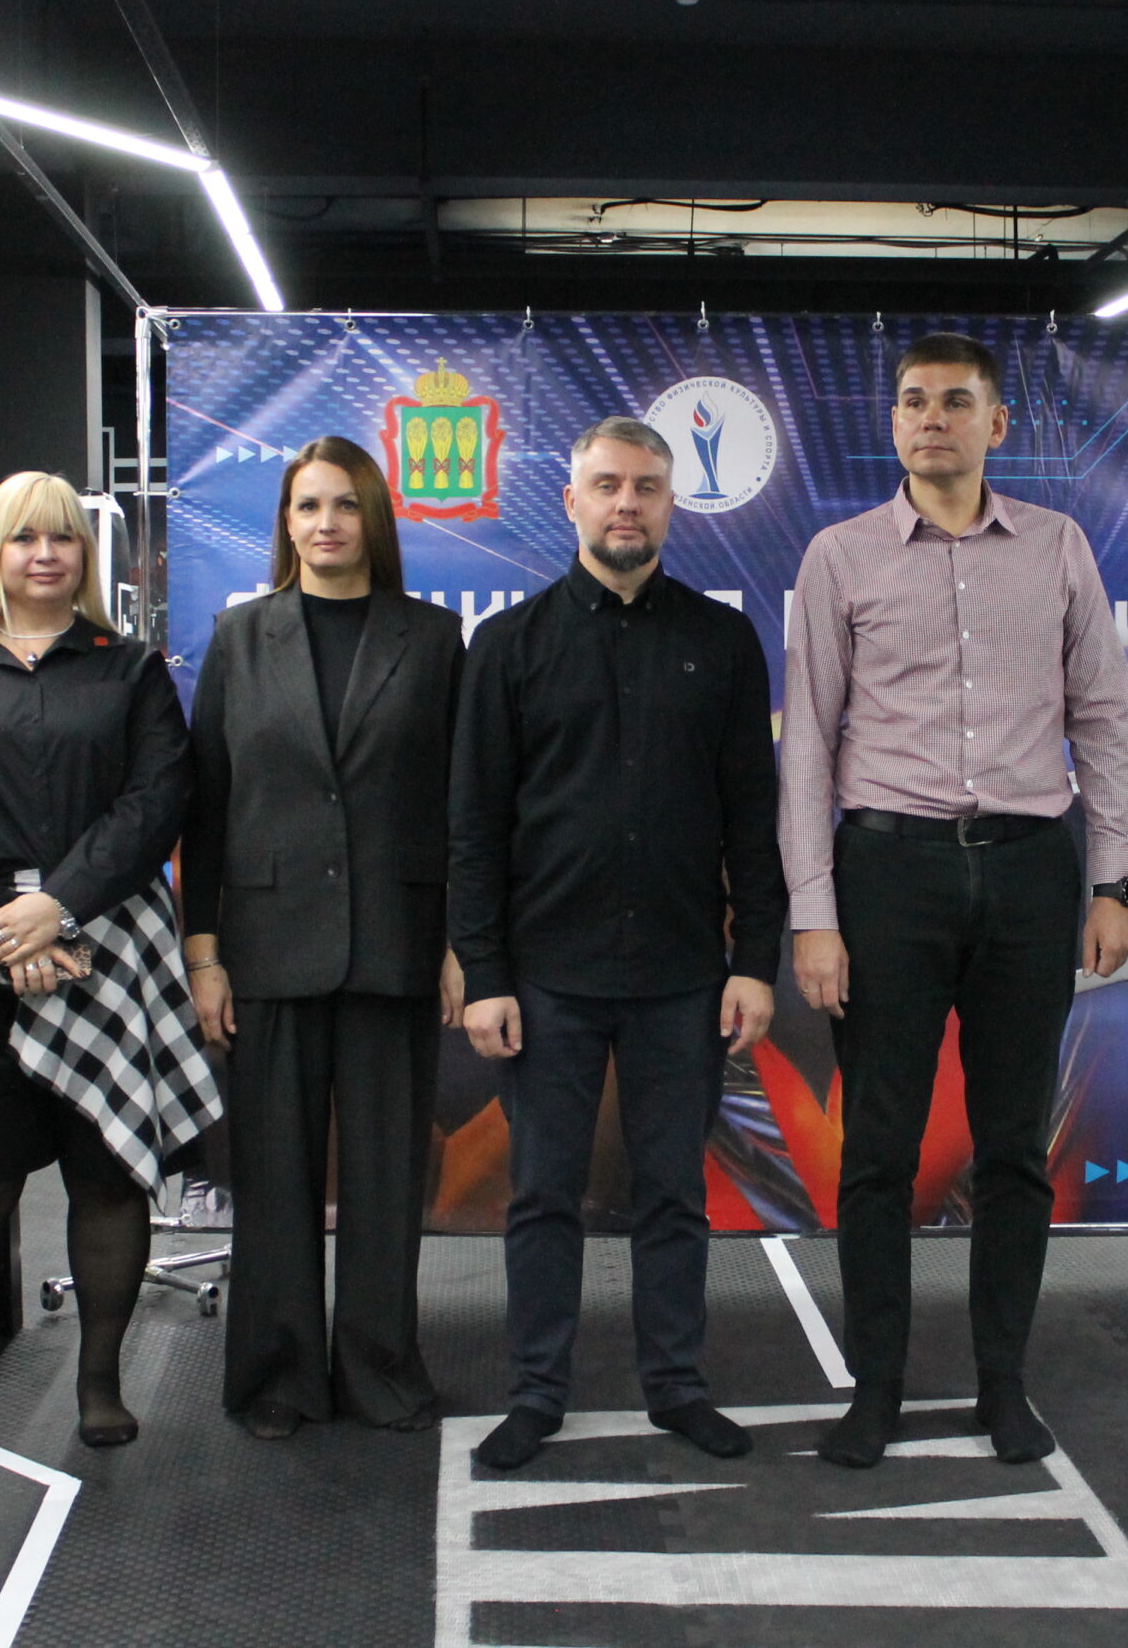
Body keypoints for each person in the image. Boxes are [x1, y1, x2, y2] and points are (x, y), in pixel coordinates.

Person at [781, 332, 1128, 1471]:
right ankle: (876, 1390)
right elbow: (808, 745)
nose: (931, 418)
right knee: (878, 1152)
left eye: (954, 401)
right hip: (887, 875)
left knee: (1014, 1151)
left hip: (1031, 872)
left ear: (997, 424)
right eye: (912, 401)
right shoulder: (839, 556)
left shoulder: (1058, 546)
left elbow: (1105, 717)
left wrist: (1113, 879)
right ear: (893, 423)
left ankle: (1003, 1385)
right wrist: (813, 912)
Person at [450, 416, 785, 1472]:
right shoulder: (507, 646)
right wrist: (485, 973)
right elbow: (473, 827)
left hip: (683, 976)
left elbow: (753, 818)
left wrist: (755, 961)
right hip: (546, 977)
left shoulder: (722, 642)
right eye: (606, 485)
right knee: (543, 1194)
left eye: (645, 486)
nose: (626, 504)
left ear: (671, 503)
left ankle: (675, 1385)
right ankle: (536, 1392)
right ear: (571, 501)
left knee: (673, 1193)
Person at [0, 471, 207, 1463]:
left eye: (62, 538)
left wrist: (55, 908)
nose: (45, 554)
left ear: (83, 555)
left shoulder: (129, 670)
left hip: (105, 951)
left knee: (107, 1185)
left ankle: (99, 1387)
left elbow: (156, 801)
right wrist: (0, 921)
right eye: (24, 538)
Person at [183, 436, 466, 1440]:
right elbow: (205, 807)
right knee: (274, 1179)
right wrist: (204, 952)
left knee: (388, 1180)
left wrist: (459, 942)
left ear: (373, 518)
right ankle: (278, 1376)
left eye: (345, 504)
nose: (327, 523)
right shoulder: (239, 637)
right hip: (267, 946)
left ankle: (381, 1369)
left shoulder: (433, 640)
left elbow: (460, 804)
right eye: (308, 505)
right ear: (286, 523)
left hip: (397, 940)